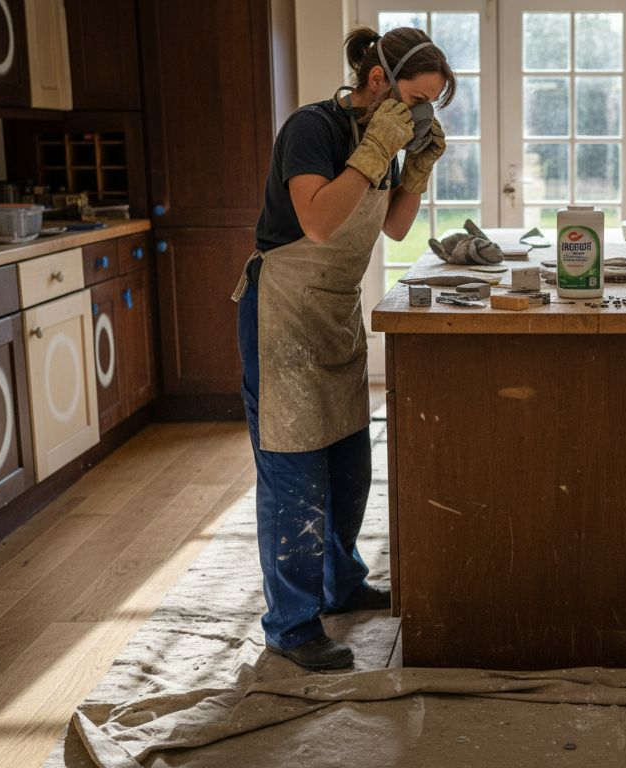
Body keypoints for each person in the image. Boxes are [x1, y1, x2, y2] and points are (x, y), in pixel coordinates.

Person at [232, 26, 455, 671]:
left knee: (348, 465)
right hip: (281, 313)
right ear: (380, 82)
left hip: (333, 314)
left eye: (431, 107)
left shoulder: (380, 139)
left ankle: (341, 583)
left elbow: (396, 225)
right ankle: (292, 624)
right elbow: (320, 221)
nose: (419, 116)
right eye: (416, 100)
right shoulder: (312, 129)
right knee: (295, 473)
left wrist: (416, 167)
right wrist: (380, 148)